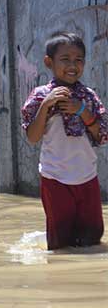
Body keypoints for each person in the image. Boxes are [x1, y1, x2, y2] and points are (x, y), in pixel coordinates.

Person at [21, 32, 108, 250]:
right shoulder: (40, 96)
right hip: (55, 178)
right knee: (60, 243)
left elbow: (102, 136)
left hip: (87, 176)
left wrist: (82, 111)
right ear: (48, 62)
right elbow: (32, 137)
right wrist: (46, 106)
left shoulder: (88, 97)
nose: (73, 65)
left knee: (92, 237)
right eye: (65, 59)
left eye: (78, 60)